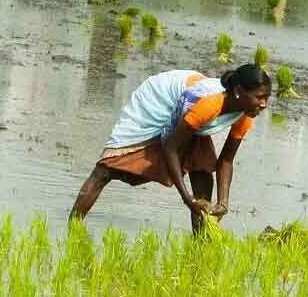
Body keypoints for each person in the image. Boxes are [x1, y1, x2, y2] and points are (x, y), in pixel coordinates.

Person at [70, 64, 272, 233]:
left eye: (267, 98)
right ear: (238, 92)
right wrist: (186, 198)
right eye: (259, 97)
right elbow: (170, 147)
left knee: (201, 169)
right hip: (159, 98)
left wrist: (223, 203)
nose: (264, 105)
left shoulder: (245, 114)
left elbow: (226, 161)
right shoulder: (209, 104)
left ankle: (201, 241)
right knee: (107, 169)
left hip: (190, 112)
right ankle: (73, 228)